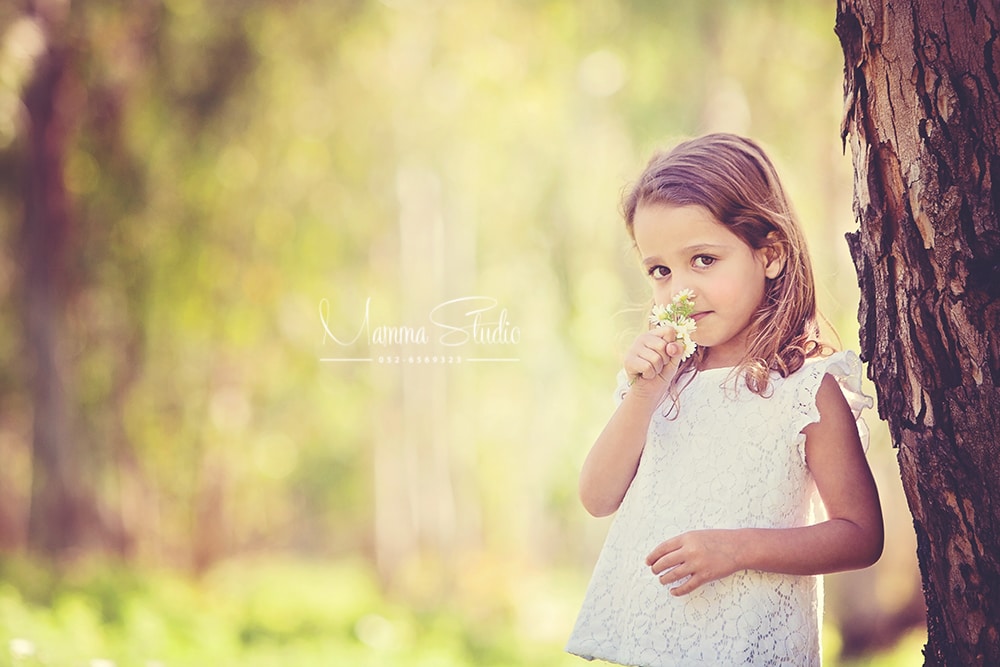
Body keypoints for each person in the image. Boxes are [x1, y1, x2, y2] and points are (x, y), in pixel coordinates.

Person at [565, 133, 884, 666]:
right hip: (650, 645)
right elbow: (597, 497)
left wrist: (736, 549)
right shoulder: (660, 382)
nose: (679, 291)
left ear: (770, 255)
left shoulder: (804, 390)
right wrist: (644, 393)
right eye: (661, 271)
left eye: (704, 260)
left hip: (747, 644)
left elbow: (860, 535)